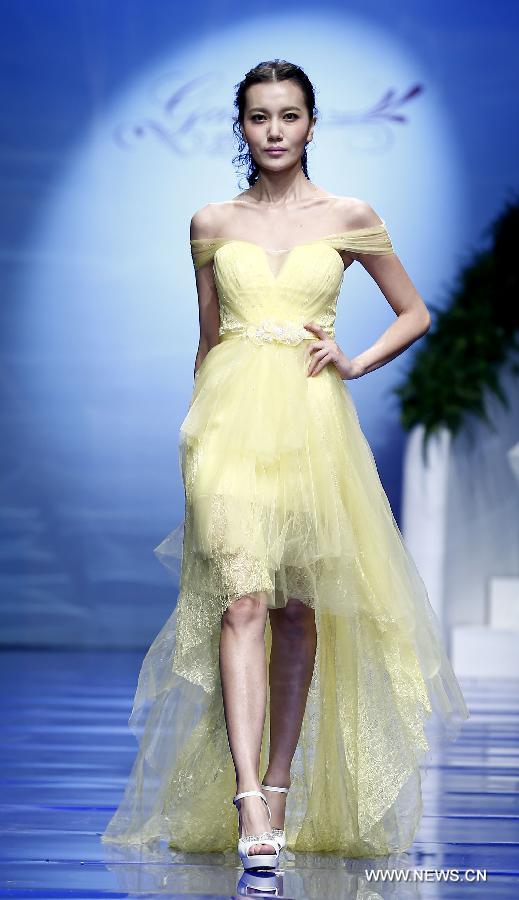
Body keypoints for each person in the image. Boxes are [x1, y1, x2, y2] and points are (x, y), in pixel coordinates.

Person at [101, 59, 469, 869]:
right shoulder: (209, 222)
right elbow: (208, 339)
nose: (274, 130)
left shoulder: (347, 214)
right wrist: (193, 432)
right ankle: (247, 805)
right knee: (241, 603)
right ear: (241, 128)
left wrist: (357, 359)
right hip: (226, 429)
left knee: (297, 611)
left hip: (311, 427)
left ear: (311, 125)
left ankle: (278, 785)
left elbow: (414, 312)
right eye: (259, 116)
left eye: (289, 115)